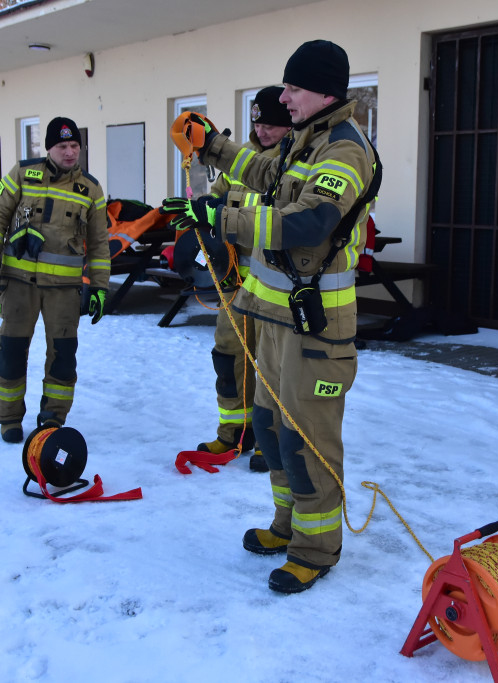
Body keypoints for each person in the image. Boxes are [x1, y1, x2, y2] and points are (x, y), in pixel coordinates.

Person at [163, 40, 378, 593]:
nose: (284, 97)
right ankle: (287, 525)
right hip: (277, 320)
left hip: (316, 332)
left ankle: (316, 547)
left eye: (293, 88)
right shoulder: (304, 142)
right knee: (271, 428)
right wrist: (210, 145)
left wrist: (221, 217)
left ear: (325, 91)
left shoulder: (345, 150)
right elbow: (260, 172)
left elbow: (309, 224)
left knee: (308, 441)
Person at [0, 116, 112, 443]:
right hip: (18, 283)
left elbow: (98, 244)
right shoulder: (23, 174)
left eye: (74, 146)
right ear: (48, 148)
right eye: (62, 146)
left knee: (63, 356)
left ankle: (53, 417)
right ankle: (9, 418)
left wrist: (99, 287)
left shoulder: (90, 189)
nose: (69, 153)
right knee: (12, 350)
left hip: (64, 292)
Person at [194, 86, 292, 472]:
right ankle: (234, 430)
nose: (262, 130)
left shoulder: (290, 163)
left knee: (272, 366)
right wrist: (200, 211)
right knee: (228, 355)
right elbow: (217, 198)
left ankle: (270, 440)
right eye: (257, 122)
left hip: (273, 286)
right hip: (234, 281)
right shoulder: (243, 158)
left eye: (270, 124)